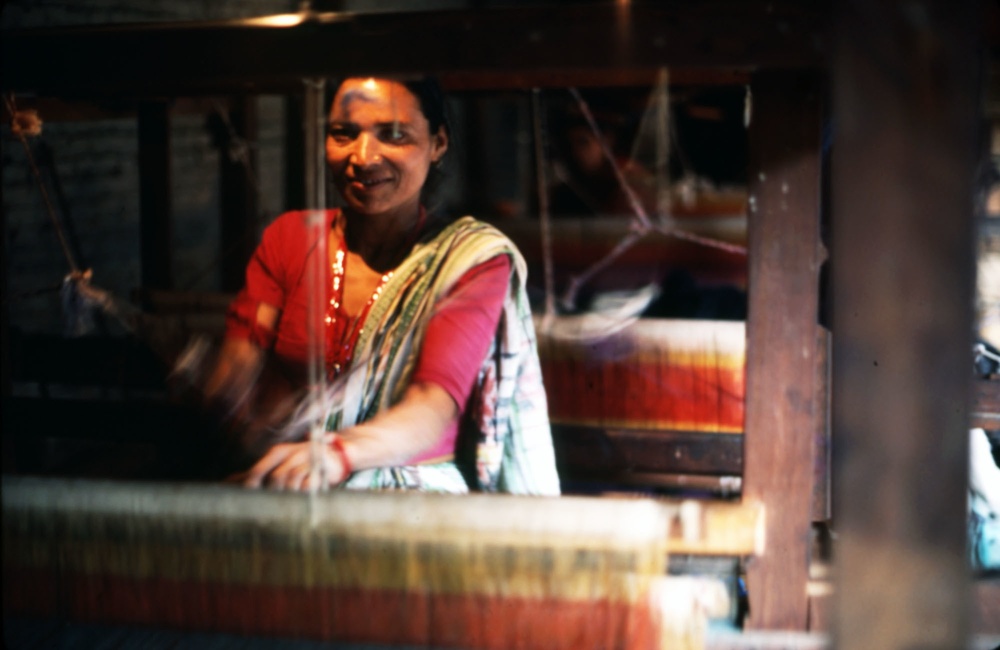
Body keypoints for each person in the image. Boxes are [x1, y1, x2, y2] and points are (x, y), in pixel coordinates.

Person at [205, 76, 559, 496]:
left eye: (394, 135)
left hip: (409, 495)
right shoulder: (290, 240)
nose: (363, 157)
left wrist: (336, 454)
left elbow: (432, 404)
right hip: (291, 482)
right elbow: (236, 373)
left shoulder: (470, 261)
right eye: (344, 134)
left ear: (438, 144)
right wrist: (221, 391)